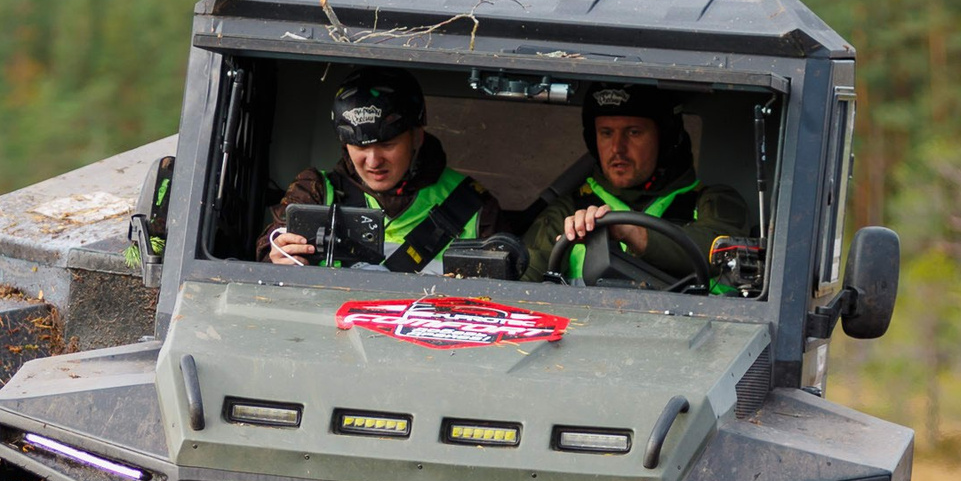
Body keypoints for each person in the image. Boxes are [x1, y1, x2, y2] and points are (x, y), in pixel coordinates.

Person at [263, 69, 498, 272]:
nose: (373, 161)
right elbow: (268, 263)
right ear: (345, 144)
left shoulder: (472, 205)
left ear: (417, 137)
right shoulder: (313, 192)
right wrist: (275, 258)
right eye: (360, 147)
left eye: (387, 145)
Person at [524, 83, 755, 285]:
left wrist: (632, 232)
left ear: (665, 138)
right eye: (606, 133)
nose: (617, 148)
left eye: (633, 132)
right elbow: (521, 284)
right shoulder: (567, 212)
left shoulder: (714, 202)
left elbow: (722, 252)